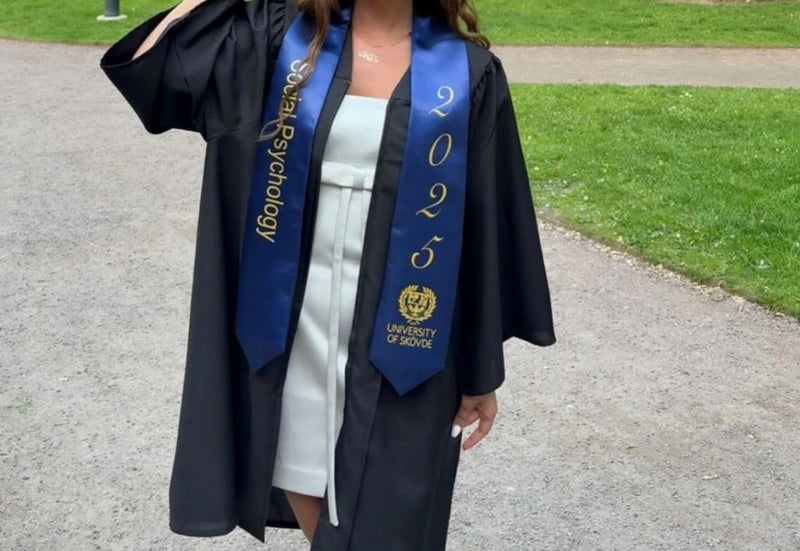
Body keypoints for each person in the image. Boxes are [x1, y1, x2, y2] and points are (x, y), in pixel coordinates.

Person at [99, 0, 556, 548]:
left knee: (392, 504)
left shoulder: (467, 73)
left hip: (404, 319)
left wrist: (481, 372)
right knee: (296, 459)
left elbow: (486, 224)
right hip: (292, 311)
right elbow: (156, 67)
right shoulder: (280, 41)